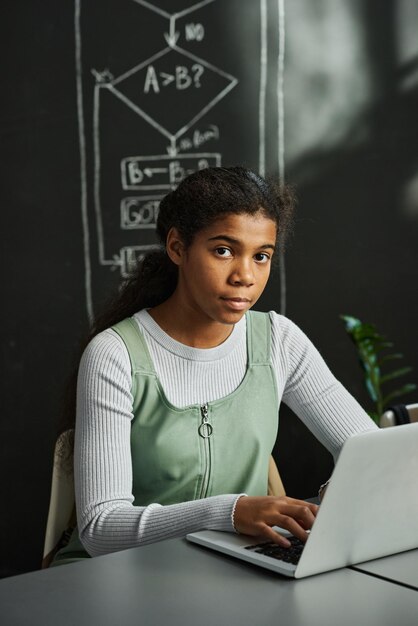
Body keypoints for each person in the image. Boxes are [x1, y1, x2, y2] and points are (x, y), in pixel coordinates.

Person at [53, 166, 377, 564]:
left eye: (261, 256)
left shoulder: (279, 341)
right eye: (223, 250)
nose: (245, 276)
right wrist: (230, 512)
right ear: (177, 247)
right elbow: (102, 529)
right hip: (117, 578)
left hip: (234, 568)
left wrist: (343, 490)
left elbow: (369, 451)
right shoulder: (115, 355)